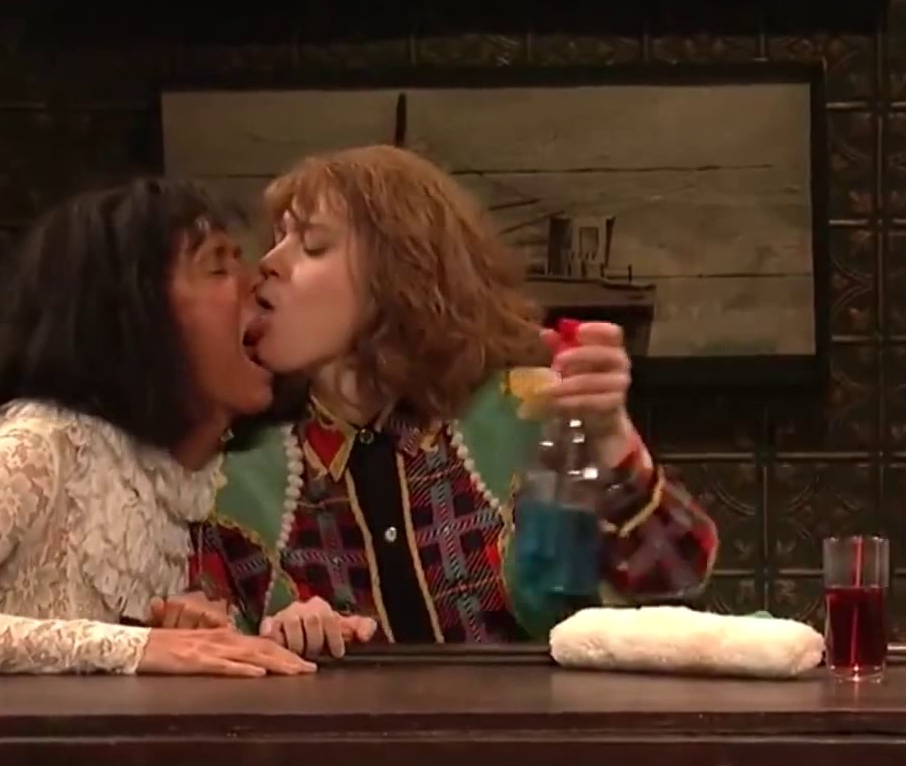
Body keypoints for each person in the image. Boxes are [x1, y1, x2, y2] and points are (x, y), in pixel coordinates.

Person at [193, 145, 721, 655]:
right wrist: (278, 640)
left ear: (399, 274)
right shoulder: (237, 477)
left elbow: (676, 585)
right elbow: (211, 653)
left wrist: (611, 438)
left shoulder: (528, 413)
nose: (268, 263)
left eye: (312, 244)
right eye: (277, 239)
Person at [0, 178, 315, 678]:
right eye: (218, 267)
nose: (255, 283)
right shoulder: (41, 447)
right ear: (134, 315)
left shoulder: (176, 481)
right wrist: (136, 647)